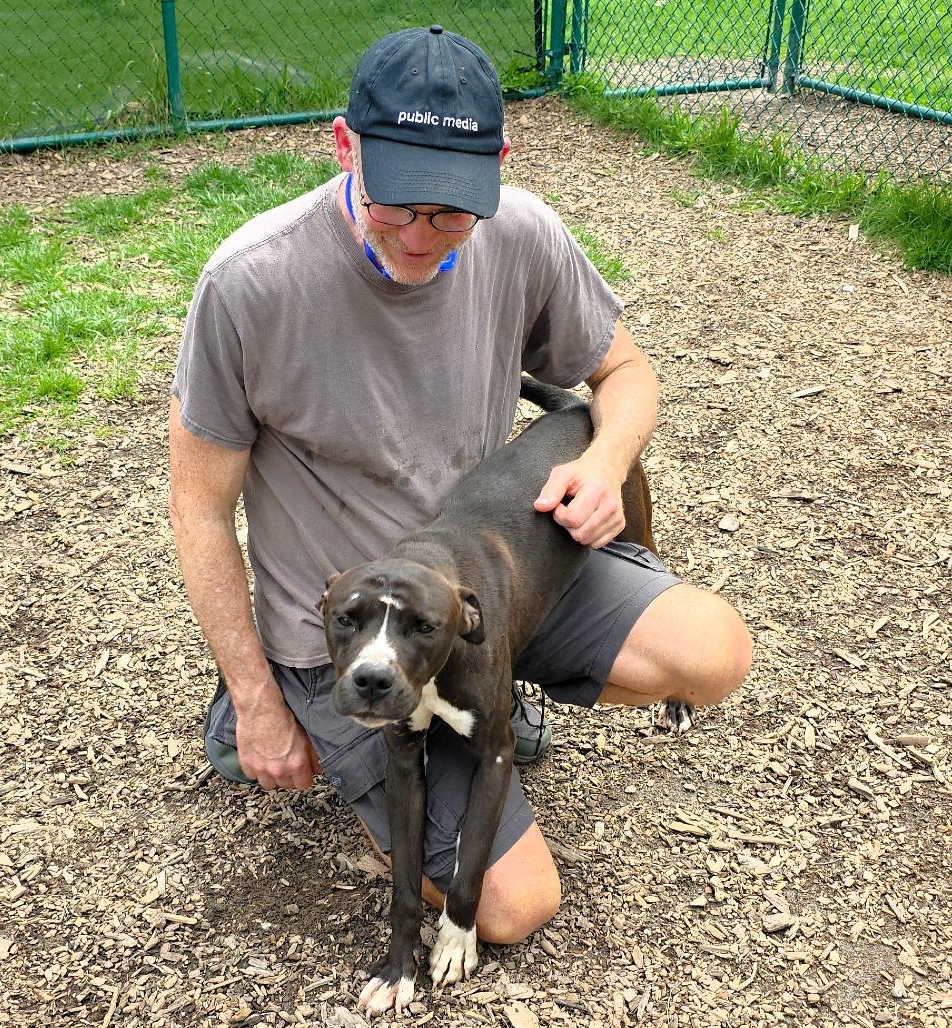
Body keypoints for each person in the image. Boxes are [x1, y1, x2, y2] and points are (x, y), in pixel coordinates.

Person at [168, 26, 752, 946]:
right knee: (515, 909)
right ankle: (284, 710)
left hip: (485, 576)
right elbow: (199, 508)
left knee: (715, 653)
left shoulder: (521, 234)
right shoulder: (251, 283)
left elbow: (628, 374)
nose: (418, 238)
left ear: (497, 169)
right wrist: (255, 699)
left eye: (450, 215)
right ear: (345, 146)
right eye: (396, 205)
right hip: (347, 624)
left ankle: (484, 693)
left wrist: (605, 461)